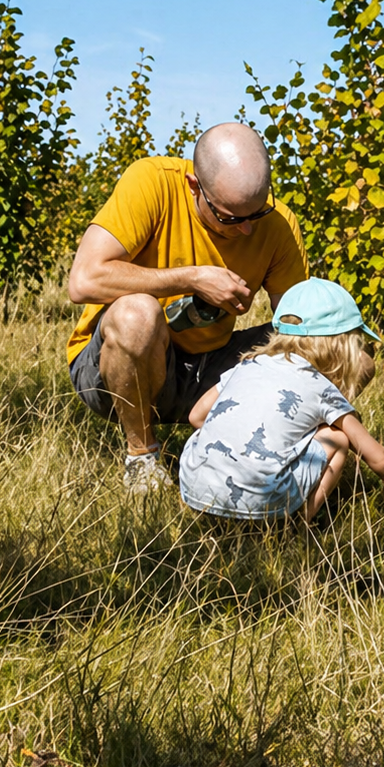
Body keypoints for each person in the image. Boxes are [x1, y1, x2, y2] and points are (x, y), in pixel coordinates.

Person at [66, 122, 308, 493]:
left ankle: (281, 466)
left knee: (320, 340)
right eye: (230, 217)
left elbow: (297, 323)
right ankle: (142, 459)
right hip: (110, 369)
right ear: (195, 186)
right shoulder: (152, 182)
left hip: (209, 367)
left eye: (255, 214)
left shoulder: (278, 225)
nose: (245, 230)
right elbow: (83, 281)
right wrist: (192, 278)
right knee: (137, 314)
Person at [179, 278, 384, 524]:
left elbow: (196, 416)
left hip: (195, 489)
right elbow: (380, 459)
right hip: (262, 501)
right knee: (337, 438)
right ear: (340, 344)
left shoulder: (248, 364)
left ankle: (219, 514)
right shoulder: (321, 387)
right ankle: (298, 524)